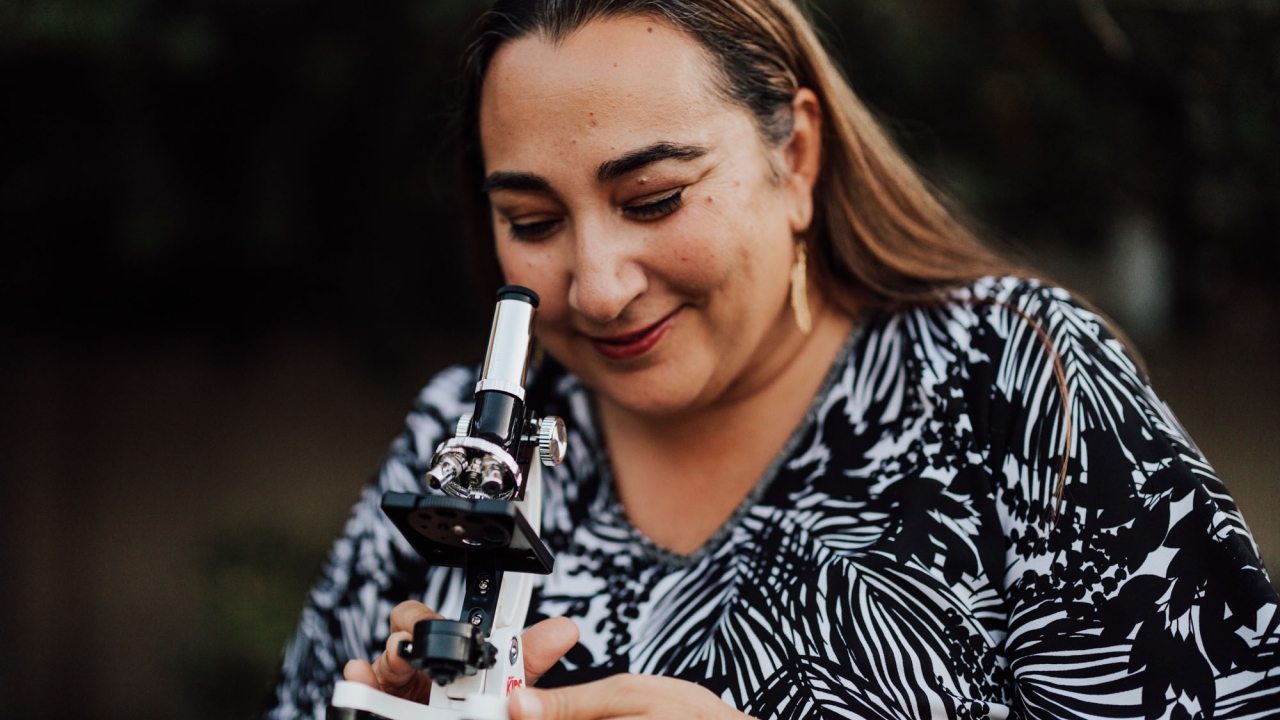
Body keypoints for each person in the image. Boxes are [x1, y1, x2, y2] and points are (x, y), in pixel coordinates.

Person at [263, 1, 1280, 718]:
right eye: (530, 219)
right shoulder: (466, 439)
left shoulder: (1008, 378)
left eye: (652, 199)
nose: (596, 285)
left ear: (793, 158)